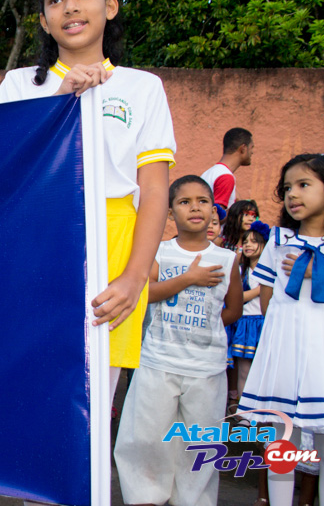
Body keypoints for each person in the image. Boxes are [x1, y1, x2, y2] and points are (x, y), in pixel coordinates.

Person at [0, 0, 176, 395]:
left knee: (92, 397)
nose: (70, 7)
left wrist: (134, 277)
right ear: (44, 20)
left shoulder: (142, 87)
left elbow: (153, 191)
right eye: (56, 0)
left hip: (114, 245)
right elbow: (6, 171)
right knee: (28, 384)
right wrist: (61, 98)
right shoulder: (20, 86)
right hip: (35, 237)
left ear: (110, 6)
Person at [114, 175, 242, 506]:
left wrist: (205, 331)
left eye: (202, 200)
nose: (195, 207)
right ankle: (145, 497)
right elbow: (145, 293)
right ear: (170, 212)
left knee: (199, 443)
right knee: (146, 438)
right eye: (184, 202)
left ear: (214, 208)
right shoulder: (159, 252)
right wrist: (188, 279)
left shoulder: (228, 259)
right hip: (158, 361)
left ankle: (194, 500)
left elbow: (233, 309)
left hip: (206, 368)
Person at [239, 153, 324, 506]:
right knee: (281, 440)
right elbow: (268, 301)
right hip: (284, 348)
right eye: (287, 187)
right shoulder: (276, 241)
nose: (292, 194)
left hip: (320, 349)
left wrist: (315, 273)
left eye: (304, 185)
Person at [231, 220, 269, 405]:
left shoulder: (271, 271)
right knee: (244, 371)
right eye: (245, 241)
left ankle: (262, 412)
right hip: (245, 323)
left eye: (254, 241)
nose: (248, 245)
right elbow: (236, 297)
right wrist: (261, 289)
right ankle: (244, 411)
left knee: (265, 371)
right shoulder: (239, 270)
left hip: (265, 322)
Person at [200, 127, 253, 208]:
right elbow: (217, 215)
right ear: (243, 148)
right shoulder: (226, 177)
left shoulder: (209, 173)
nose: (252, 152)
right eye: (251, 147)